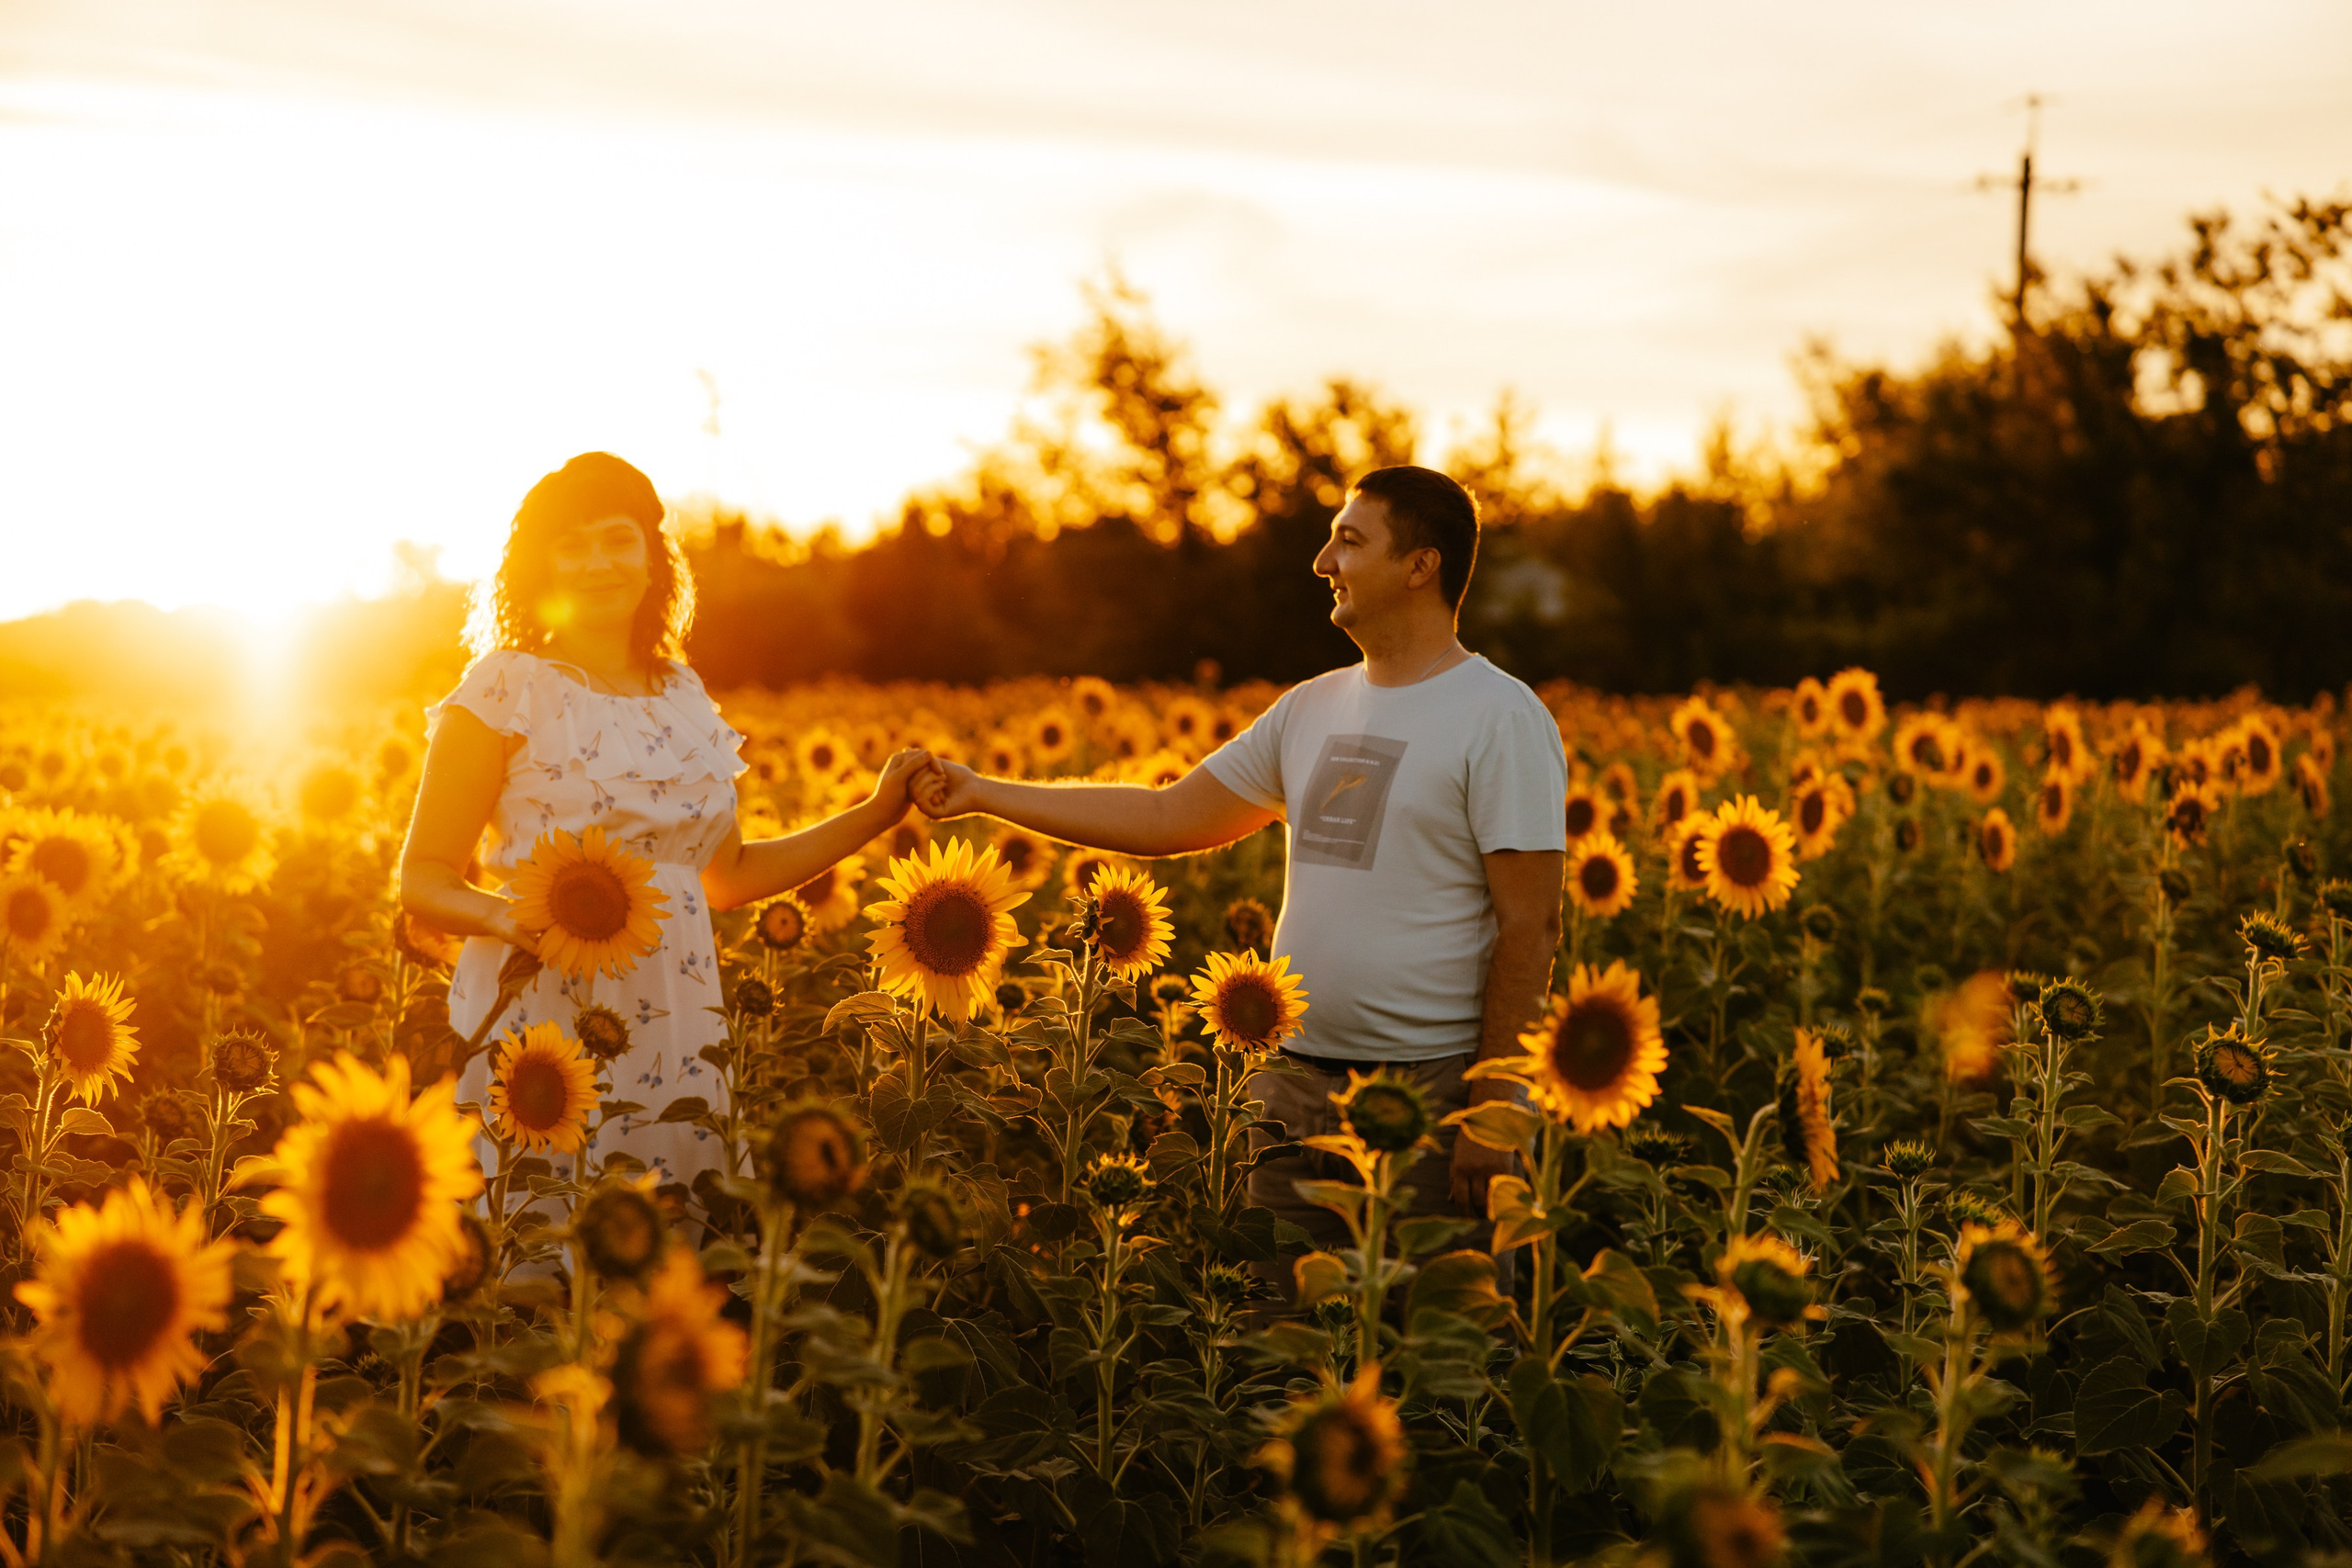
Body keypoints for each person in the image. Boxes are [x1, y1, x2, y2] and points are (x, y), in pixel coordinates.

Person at [913, 464, 1566, 1270]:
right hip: (1291, 1091)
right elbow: (1166, 815)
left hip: (1430, 1098)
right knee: (1274, 1348)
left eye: (1349, 541)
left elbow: (1530, 925)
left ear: (1420, 566)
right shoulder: (1310, 708)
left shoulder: (1500, 716)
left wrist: (1495, 1104)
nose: (1322, 562)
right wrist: (984, 794)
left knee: (1438, 1357)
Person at [399, 452, 928, 1187]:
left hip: (677, 1022)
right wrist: (504, 919)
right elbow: (422, 877)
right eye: (572, 545)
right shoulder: (503, 688)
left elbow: (729, 876)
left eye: (617, 538)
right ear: (541, 567)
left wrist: (876, 813)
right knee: (534, 1240)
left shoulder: (680, 692)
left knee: (668, 1241)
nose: (597, 563)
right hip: (542, 1011)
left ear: (653, 556)